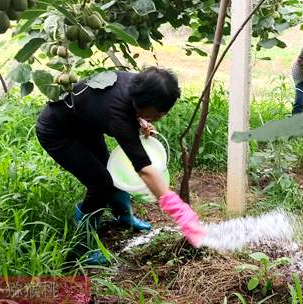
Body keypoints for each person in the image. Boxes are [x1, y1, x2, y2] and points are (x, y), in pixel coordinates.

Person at [36, 67, 204, 265]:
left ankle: (124, 217)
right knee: (100, 184)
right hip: (57, 131)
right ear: (146, 104)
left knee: (109, 173)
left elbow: (119, 108)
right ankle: (83, 245)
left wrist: (141, 118)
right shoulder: (118, 116)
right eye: (159, 112)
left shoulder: (136, 84)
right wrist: (181, 212)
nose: (161, 116)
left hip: (85, 125)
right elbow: (144, 169)